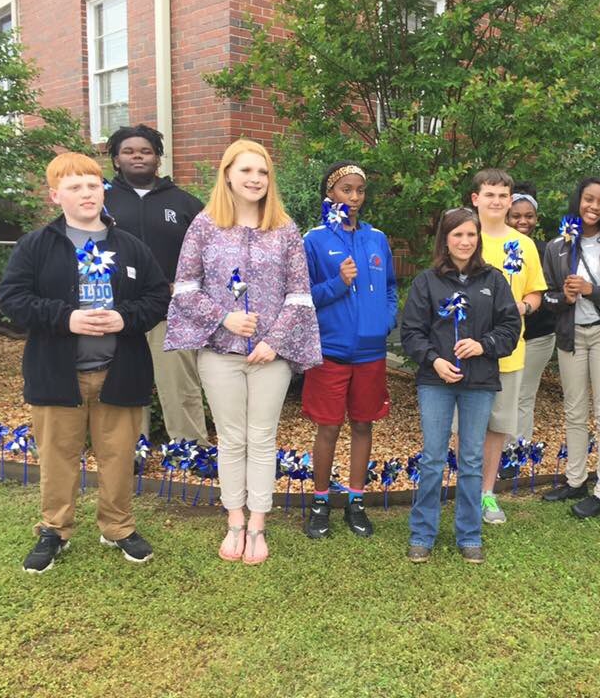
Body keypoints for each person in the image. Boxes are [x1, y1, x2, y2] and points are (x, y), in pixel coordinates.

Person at [0, 152, 170, 574]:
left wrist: (126, 318)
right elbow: (13, 299)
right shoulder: (37, 246)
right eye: (74, 186)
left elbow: (158, 297)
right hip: (58, 374)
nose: (86, 193)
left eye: (93, 184)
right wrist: (66, 317)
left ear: (103, 190)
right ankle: (54, 531)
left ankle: (117, 527)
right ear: (56, 195)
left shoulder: (130, 246)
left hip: (119, 372)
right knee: (58, 457)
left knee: (118, 456)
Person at [165, 139, 321, 565]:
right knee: (232, 439)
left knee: (262, 438)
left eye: (263, 172)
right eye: (247, 171)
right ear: (228, 174)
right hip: (220, 353)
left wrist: (274, 340)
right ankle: (235, 519)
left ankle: (258, 525)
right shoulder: (204, 226)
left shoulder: (285, 228)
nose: (255, 179)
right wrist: (223, 319)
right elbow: (184, 288)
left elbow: (300, 295)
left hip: (270, 357)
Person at [400, 208, 521, 563]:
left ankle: (469, 534)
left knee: (470, 459)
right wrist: (434, 360)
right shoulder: (427, 281)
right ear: (445, 239)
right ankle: (423, 532)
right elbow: (411, 333)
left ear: (478, 238)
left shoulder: (494, 280)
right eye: (457, 235)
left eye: (471, 235)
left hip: (479, 381)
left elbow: (510, 330)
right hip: (436, 382)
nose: (465, 242)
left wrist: (483, 345)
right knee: (434, 458)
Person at [301, 161, 398, 540]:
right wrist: (339, 284)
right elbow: (303, 296)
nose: (354, 197)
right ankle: (321, 500)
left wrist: (385, 320)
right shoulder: (314, 240)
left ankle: (356, 500)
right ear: (331, 193)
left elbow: (390, 286)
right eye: (346, 190)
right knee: (328, 427)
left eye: (359, 190)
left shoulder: (377, 238)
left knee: (363, 424)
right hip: (331, 351)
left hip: (371, 352)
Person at [103, 124, 208, 446]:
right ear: (116, 160)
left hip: (171, 313)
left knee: (181, 386)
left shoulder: (186, 204)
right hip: (118, 312)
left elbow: (210, 255)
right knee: (124, 385)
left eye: (146, 151)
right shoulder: (101, 201)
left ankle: (190, 451)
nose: (138, 156)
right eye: (129, 151)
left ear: (158, 158)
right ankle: (130, 451)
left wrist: (189, 286)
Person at [541, 178, 600, 518]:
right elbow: (546, 297)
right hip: (570, 336)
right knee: (574, 410)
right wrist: (563, 297)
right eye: (588, 199)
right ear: (577, 201)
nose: (593, 207)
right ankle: (575, 479)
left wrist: (592, 290)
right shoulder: (557, 246)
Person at [469, 169, 547, 525]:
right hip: (467, 350)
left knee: (497, 425)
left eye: (503, 196)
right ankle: (465, 491)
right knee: (466, 425)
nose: (497, 202)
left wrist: (524, 307)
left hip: (508, 350)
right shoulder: (465, 236)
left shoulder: (523, 244)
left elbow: (535, 292)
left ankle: (486, 494)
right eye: (490, 195)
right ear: (476, 199)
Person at [507, 183, 557, 442]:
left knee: (523, 395)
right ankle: (494, 452)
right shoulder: (496, 247)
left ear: (536, 218)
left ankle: (515, 453)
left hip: (537, 336)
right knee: (502, 395)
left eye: (528, 216)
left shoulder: (547, 251)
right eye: (516, 215)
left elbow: (553, 292)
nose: (522, 221)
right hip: (504, 336)